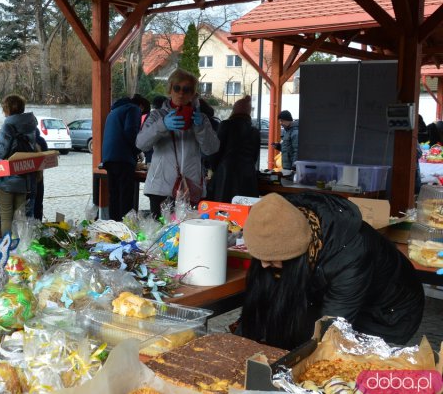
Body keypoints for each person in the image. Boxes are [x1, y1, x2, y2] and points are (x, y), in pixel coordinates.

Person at [239, 192, 424, 350]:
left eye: (271, 260)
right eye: (259, 257)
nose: (263, 265)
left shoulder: (350, 255)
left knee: (341, 371)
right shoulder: (285, 219)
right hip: (338, 296)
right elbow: (263, 301)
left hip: (388, 313)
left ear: (295, 254)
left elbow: (331, 328)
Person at [136, 68, 219, 218]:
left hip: (191, 187)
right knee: (160, 234)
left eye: (187, 89)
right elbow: (141, 144)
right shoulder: (157, 116)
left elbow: (211, 149)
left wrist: (200, 127)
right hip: (161, 188)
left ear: (193, 94)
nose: (181, 93)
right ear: (170, 90)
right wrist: (162, 126)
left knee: (188, 233)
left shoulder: (201, 119)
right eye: (177, 88)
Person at [0, 94, 38, 235]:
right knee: (20, 216)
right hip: (24, 176)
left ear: (7, 108)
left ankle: (7, 250)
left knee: (6, 215)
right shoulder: (31, 124)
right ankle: (20, 249)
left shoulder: (8, 125)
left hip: (7, 177)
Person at [102, 93, 149, 221]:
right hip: (123, 157)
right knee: (125, 194)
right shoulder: (133, 109)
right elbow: (131, 132)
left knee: (114, 194)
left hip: (109, 157)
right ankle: (125, 226)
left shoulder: (115, 110)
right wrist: (138, 150)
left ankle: (114, 225)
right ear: (141, 106)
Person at [207, 95, 260, 202]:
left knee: (223, 210)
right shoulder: (254, 131)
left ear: (234, 110)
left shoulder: (226, 125)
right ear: (249, 112)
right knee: (245, 210)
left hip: (225, 174)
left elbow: (215, 151)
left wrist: (213, 169)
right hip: (248, 176)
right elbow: (255, 157)